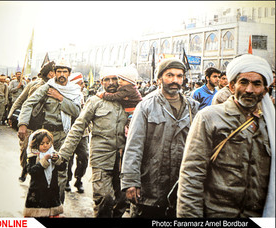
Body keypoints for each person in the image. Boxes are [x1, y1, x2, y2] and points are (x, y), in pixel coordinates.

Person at [177, 54, 275, 218]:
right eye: (243, 82)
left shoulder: (270, 124)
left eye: (257, 84)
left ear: (265, 89)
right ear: (231, 86)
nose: (249, 90)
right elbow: (192, 175)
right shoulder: (209, 118)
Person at [120, 58, 200, 218]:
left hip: (181, 187)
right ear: (159, 79)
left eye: (179, 76)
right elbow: (134, 146)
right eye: (170, 75)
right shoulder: (146, 106)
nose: (175, 80)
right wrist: (130, 182)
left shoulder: (193, 107)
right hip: (151, 185)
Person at [59, 67, 128, 218]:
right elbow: (78, 127)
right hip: (101, 157)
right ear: (101, 82)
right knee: (105, 198)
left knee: (124, 199)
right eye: (107, 79)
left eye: (114, 79)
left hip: (124, 159)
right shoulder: (95, 101)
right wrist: (64, 154)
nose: (111, 83)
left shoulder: (128, 101)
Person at [18, 58, 82, 203]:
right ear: (54, 73)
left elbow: (77, 111)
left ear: (69, 73)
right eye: (58, 71)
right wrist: (23, 123)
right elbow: (29, 103)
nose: (61, 74)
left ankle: (57, 205)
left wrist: (60, 98)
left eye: (64, 71)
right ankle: (41, 205)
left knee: (61, 171)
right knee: (42, 171)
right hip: (46, 135)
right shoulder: (47, 87)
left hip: (65, 135)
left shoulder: (74, 90)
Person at [9, 61, 56, 183]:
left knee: (44, 151)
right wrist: (11, 116)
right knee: (25, 150)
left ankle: (37, 175)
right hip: (31, 123)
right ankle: (24, 168)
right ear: (50, 73)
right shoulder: (33, 85)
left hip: (46, 125)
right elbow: (21, 101)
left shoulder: (57, 87)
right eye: (53, 72)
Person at [23, 129, 65, 217]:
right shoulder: (33, 157)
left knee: (51, 211)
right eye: (42, 144)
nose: (45, 146)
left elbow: (62, 167)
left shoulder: (53, 154)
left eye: (47, 143)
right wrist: (43, 162)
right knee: (38, 213)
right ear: (36, 145)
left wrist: (57, 160)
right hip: (37, 191)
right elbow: (32, 171)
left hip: (52, 190)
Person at [64, 72, 89, 194]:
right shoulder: (66, 95)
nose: (83, 85)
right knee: (68, 158)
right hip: (69, 131)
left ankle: (79, 179)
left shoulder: (82, 95)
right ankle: (67, 180)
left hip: (83, 133)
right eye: (80, 83)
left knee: (84, 156)